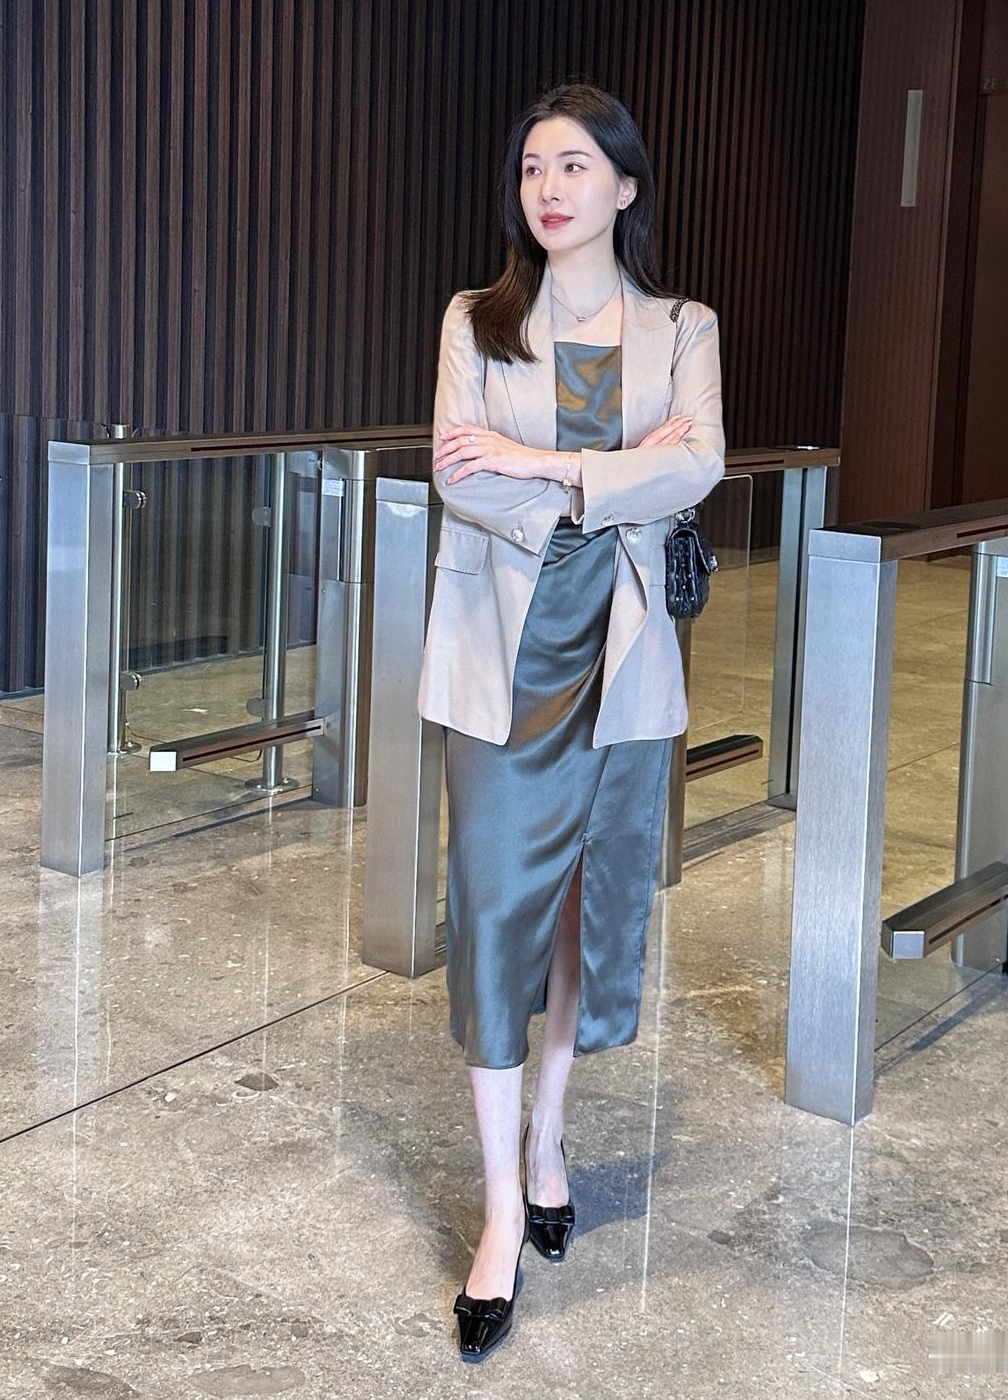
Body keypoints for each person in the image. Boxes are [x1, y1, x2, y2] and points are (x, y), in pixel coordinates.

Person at [416, 80, 725, 1362]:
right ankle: (502, 1205)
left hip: (623, 657)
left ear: (624, 185)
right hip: (503, 658)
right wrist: (613, 478)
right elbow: (456, 474)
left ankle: (549, 1132)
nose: (548, 187)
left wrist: (541, 463)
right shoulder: (475, 320)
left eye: (575, 165)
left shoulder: (681, 325)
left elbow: (699, 461)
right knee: (496, 911)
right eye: (533, 167)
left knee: (584, 909)